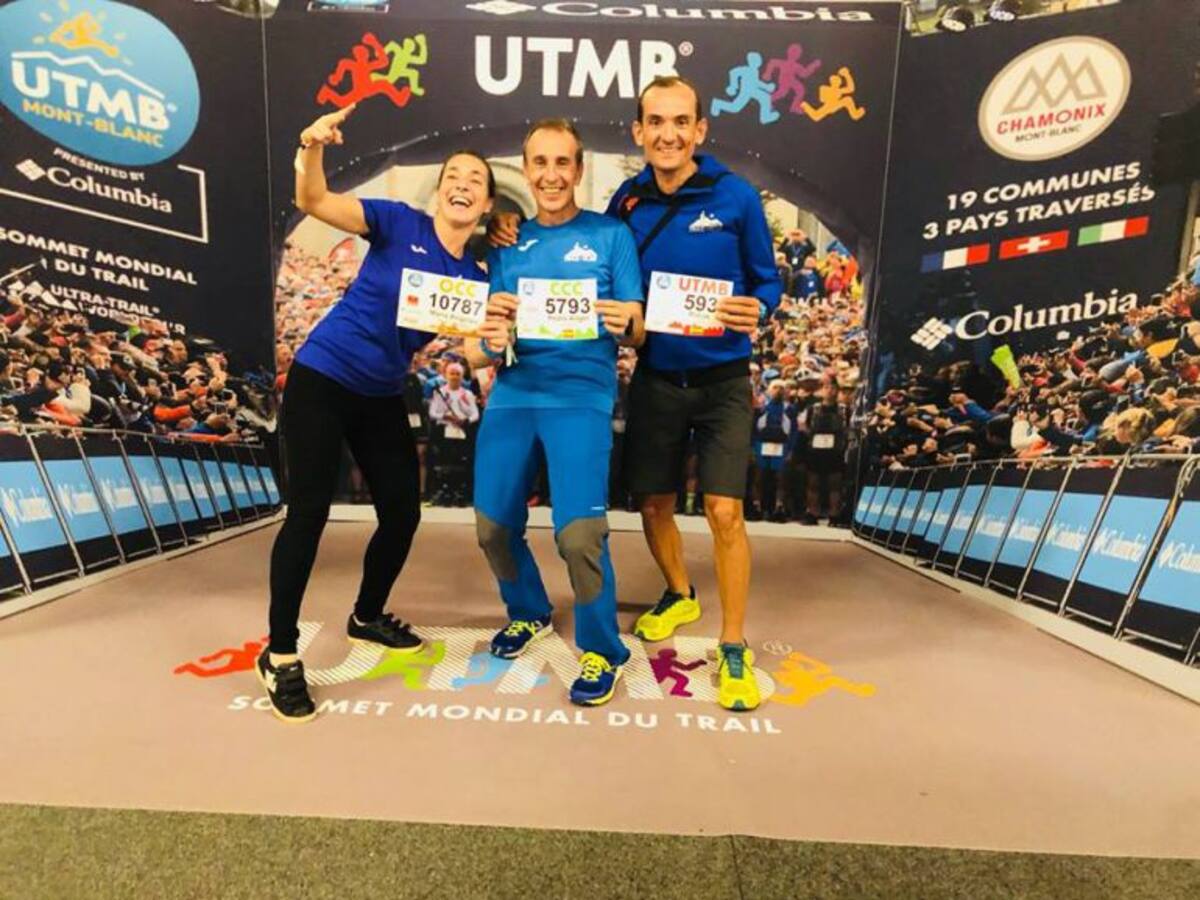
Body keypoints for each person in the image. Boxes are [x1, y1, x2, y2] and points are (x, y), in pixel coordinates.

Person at [258, 102, 496, 723]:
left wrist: (502, 338)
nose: (462, 184)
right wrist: (311, 145)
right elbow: (313, 199)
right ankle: (280, 655)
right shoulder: (396, 221)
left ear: (487, 203)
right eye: (453, 175)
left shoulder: (474, 276)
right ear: (438, 192)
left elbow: (476, 351)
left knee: (402, 512)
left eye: (475, 179)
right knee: (308, 513)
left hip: (381, 392)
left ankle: (366, 615)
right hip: (323, 376)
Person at [465, 119, 644, 707]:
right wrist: (493, 335)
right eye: (539, 162)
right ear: (526, 168)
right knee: (492, 528)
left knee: (579, 534)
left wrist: (626, 322)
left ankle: (603, 650)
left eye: (562, 162)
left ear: (578, 169)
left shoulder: (611, 236)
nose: (550, 174)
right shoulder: (506, 241)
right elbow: (485, 339)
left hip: (582, 397)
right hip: (515, 394)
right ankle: (529, 611)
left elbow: (637, 328)